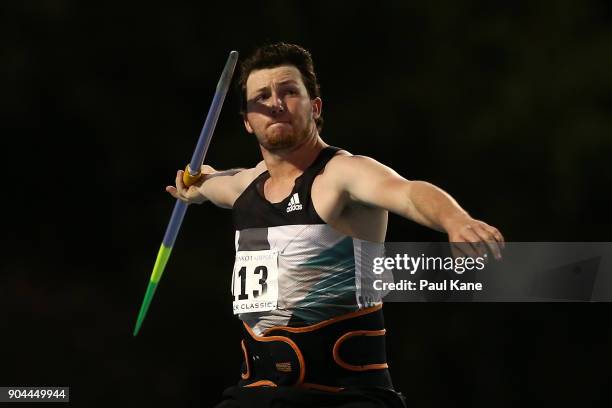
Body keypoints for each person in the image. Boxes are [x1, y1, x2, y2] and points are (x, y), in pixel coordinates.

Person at [166, 42, 504, 408]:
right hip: (258, 394)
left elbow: (407, 192)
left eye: (289, 91)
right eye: (261, 97)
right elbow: (211, 184)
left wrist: (454, 219)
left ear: (315, 107)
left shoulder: (340, 175)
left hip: (344, 397)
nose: (275, 104)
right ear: (248, 121)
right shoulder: (243, 186)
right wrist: (196, 187)